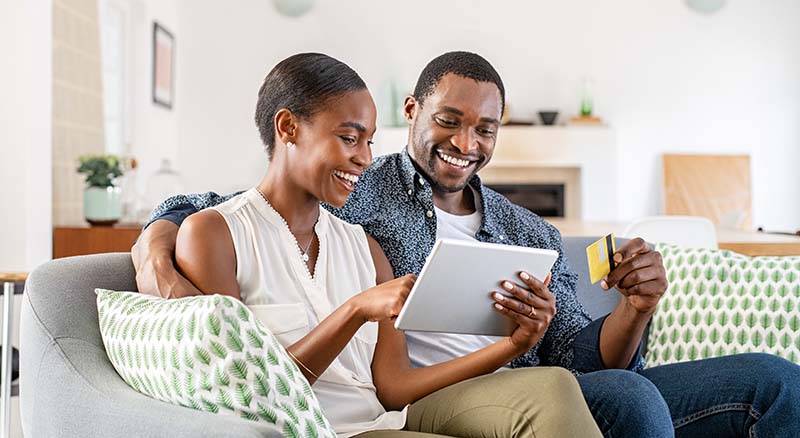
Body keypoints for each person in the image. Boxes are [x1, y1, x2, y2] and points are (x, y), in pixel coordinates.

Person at [134, 51, 800, 437]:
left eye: (486, 128)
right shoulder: (367, 191)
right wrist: (156, 247)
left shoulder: (528, 230)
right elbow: (224, 204)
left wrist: (635, 307)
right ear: (413, 114)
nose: (466, 144)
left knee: (774, 383)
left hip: (537, 382)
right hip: (435, 399)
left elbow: (578, 355)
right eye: (449, 121)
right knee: (629, 400)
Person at [163, 52, 601, 438]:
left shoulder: (364, 246)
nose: (365, 158)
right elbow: (247, 392)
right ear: (288, 128)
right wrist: (355, 310)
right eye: (349, 138)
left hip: (385, 422)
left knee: (556, 386)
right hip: (314, 430)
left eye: (369, 141)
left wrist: (514, 346)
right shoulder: (214, 234)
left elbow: (393, 388)